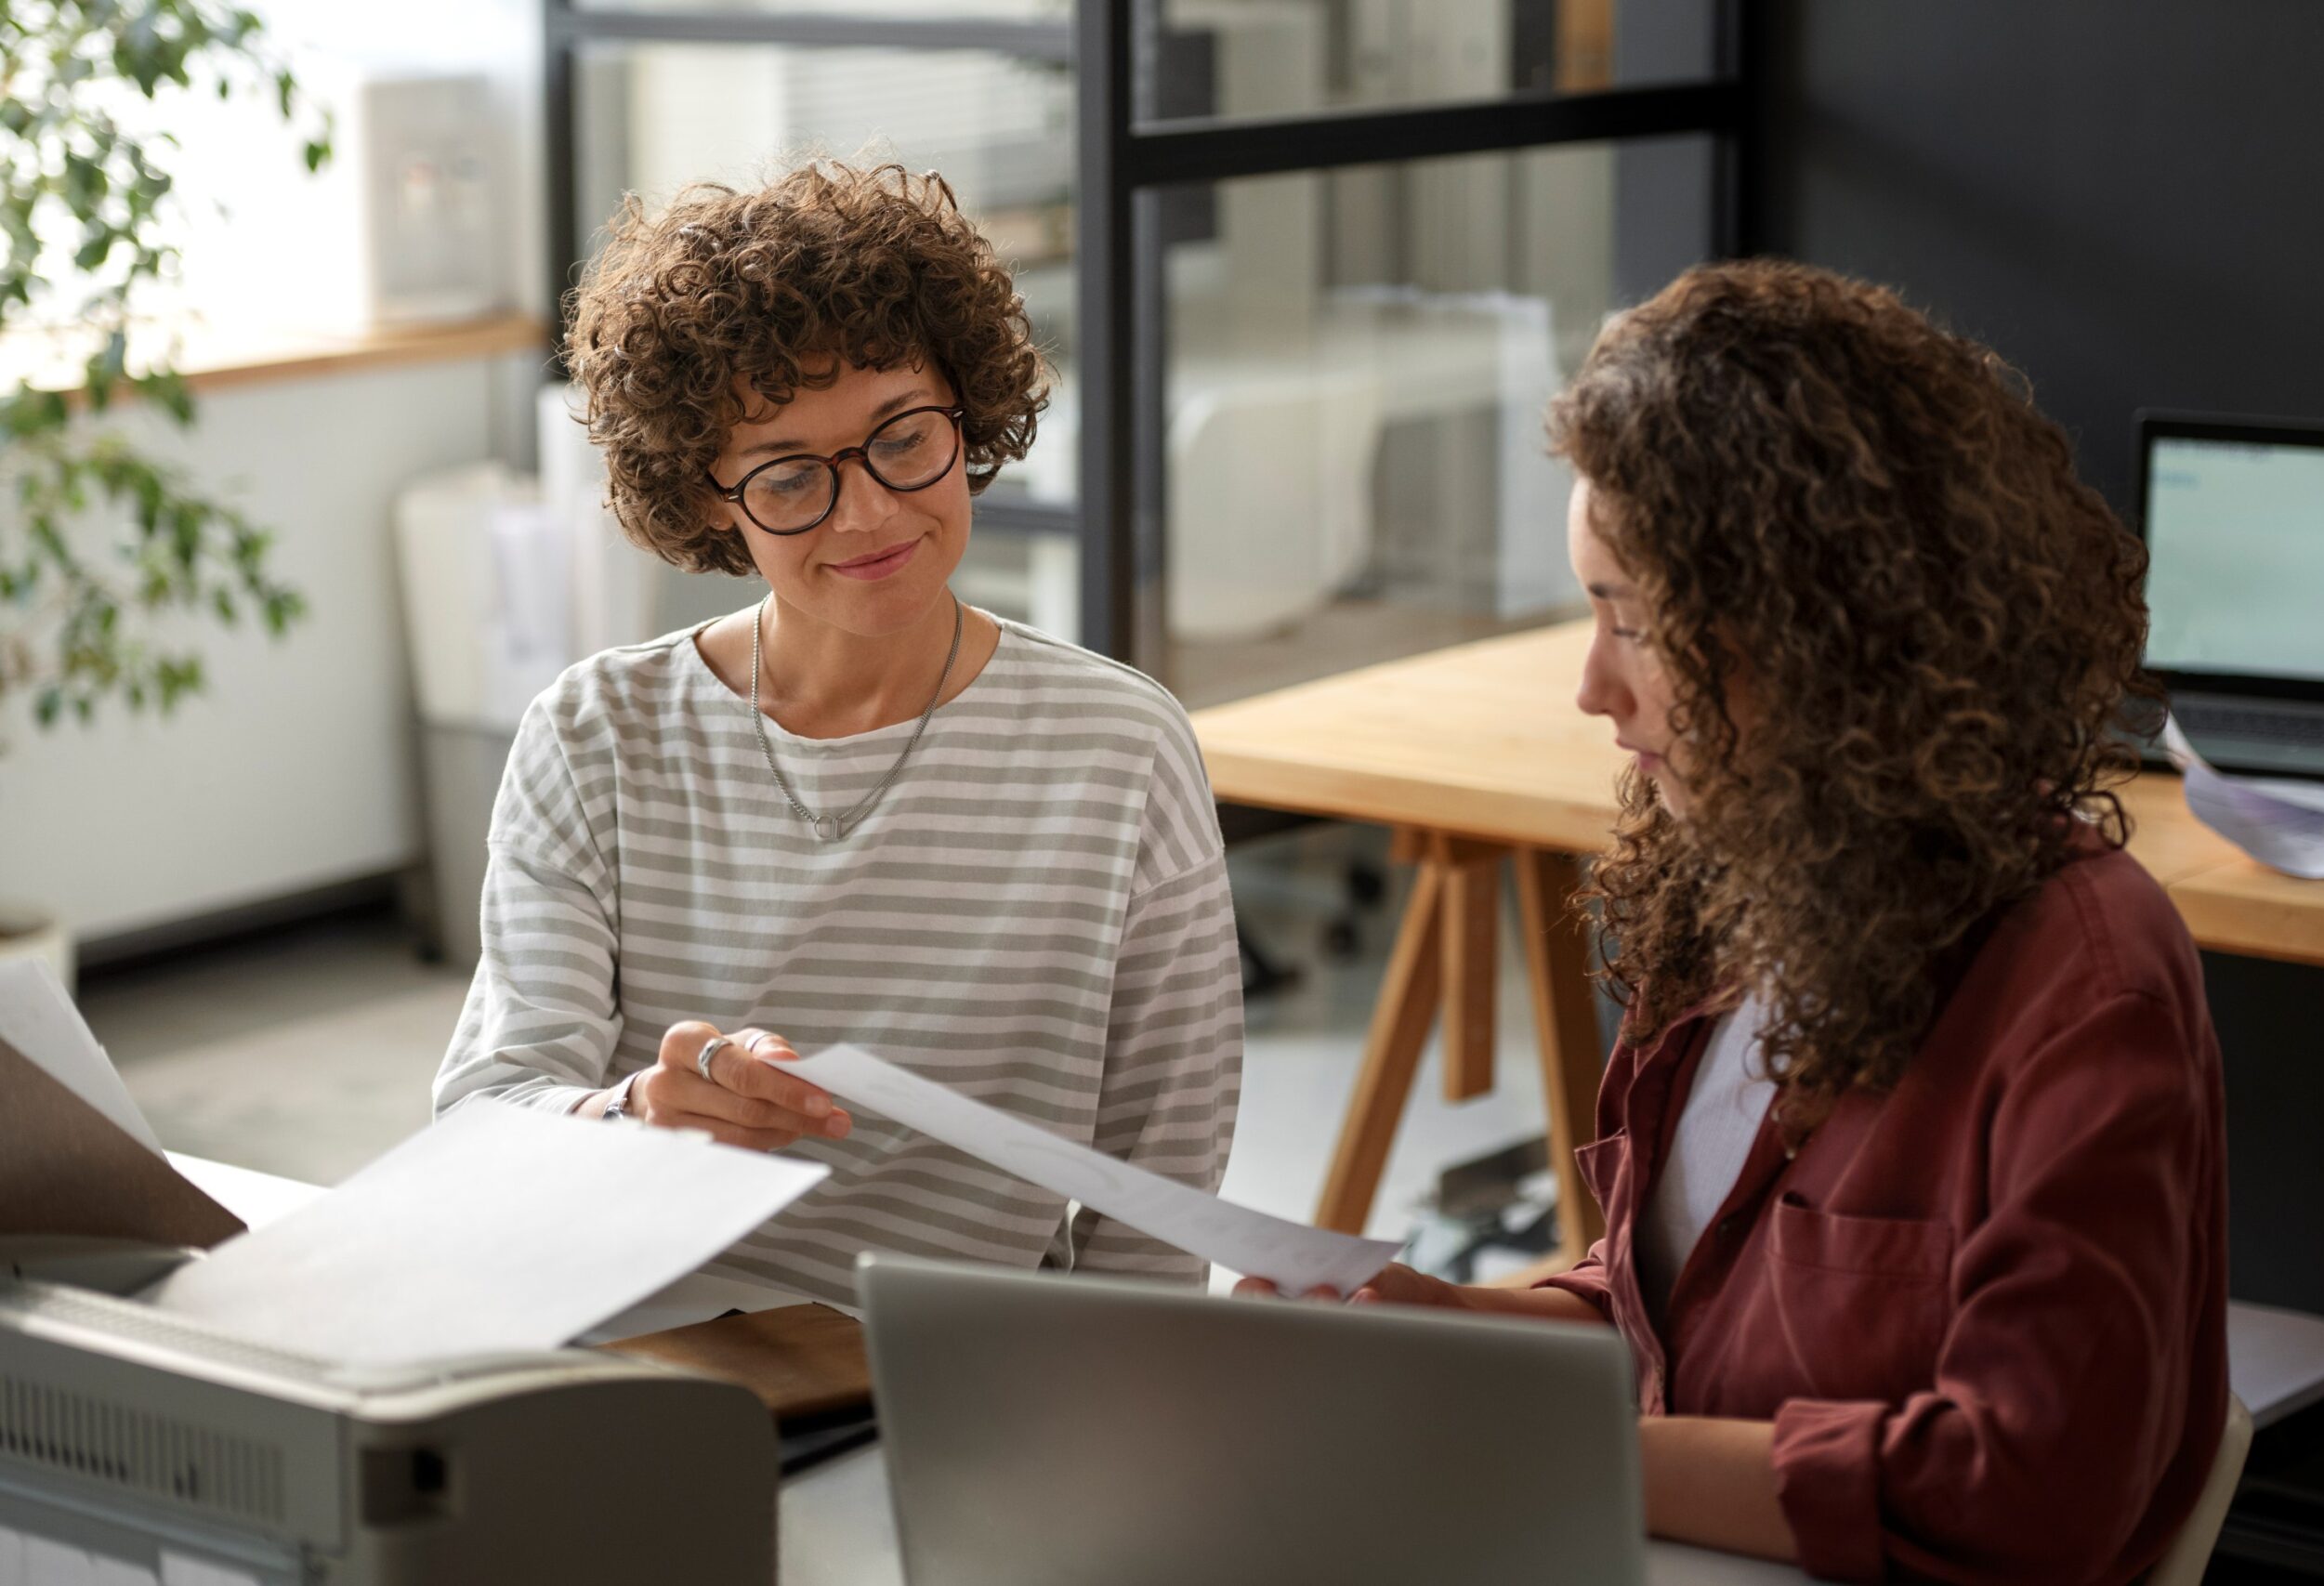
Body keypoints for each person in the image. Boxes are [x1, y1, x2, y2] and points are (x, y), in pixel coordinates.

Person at [1247, 260, 2228, 1583]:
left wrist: (1538, 1442)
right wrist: (1446, 1331)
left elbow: (2031, 1486)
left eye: (1633, 623)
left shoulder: (2083, 982)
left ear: (1822, 636)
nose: (1593, 689)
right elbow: (1678, 1326)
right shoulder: (1739, 892)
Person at [432, 161, 1241, 1308]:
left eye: (902, 439)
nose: (865, 512)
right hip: (646, 1355)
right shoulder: (594, 739)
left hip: (960, 1377)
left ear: (967, 408)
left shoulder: (1118, 748)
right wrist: (631, 1113)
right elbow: (482, 1121)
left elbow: (1158, 1191)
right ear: (710, 492)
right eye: (789, 476)